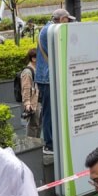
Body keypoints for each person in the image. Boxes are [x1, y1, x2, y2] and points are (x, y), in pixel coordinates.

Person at [36, 9, 76, 155]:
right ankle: (49, 144)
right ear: (62, 19)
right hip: (48, 78)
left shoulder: (48, 29)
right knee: (49, 112)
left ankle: (53, 141)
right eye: (67, 20)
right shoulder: (51, 31)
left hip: (47, 77)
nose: (69, 24)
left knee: (52, 111)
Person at [20, 48, 40, 139]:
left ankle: (37, 143)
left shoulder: (36, 69)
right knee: (33, 125)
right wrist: (27, 103)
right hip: (32, 102)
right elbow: (26, 88)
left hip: (37, 101)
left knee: (38, 124)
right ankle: (31, 143)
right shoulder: (28, 72)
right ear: (33, 58)